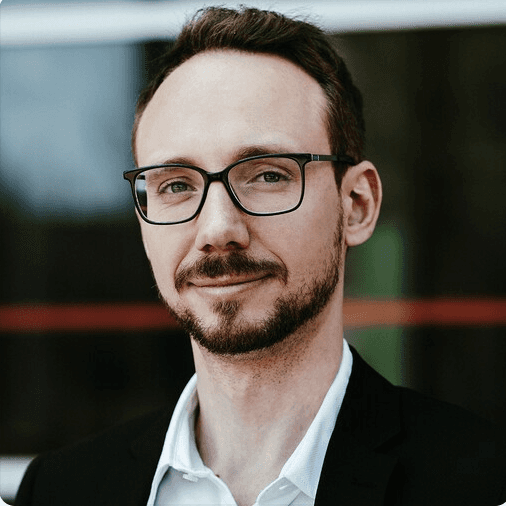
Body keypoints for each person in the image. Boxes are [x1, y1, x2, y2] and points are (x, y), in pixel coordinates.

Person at [14, 6, 506, 506]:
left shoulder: (482, 485)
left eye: (268, 175)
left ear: (357, 205)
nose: (217, 229)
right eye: (176, 185)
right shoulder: (58, 492)